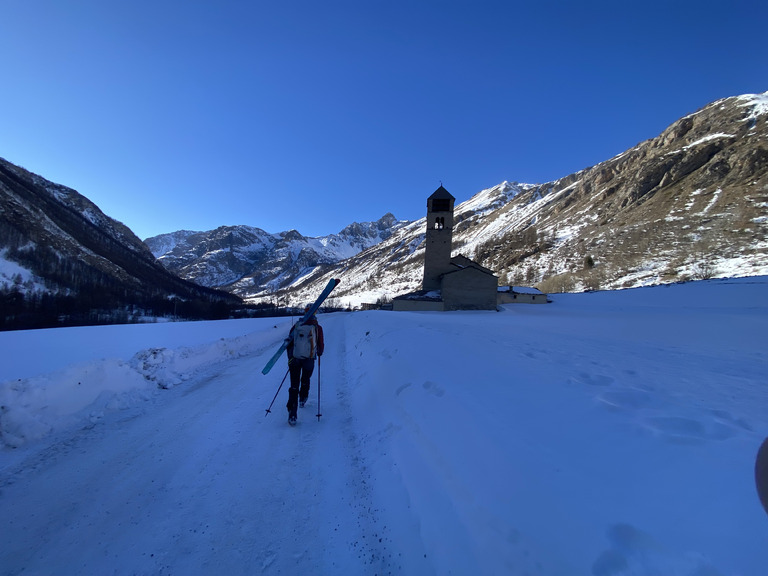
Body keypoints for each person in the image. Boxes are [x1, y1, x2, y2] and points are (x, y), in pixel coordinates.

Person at [286, 306, 324, 425]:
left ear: (305, 313)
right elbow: (321, 347)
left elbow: (289, 342)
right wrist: (318, 352)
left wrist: (291, 357)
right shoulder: (317, 328)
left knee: (294, 385)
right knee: (305, 379)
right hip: (309, 360)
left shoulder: (297, 326)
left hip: (295, 359)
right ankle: (303, 398)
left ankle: (292, 413)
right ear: (315, 314)